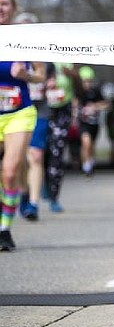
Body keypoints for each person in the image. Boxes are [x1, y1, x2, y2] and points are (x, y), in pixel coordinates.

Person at [0, 0, 46, 251]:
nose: (1, 8)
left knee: (10, 171)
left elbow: (42, 73)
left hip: (19, 112)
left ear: (13, 8)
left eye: (5, 4)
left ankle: (4, 230)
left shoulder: (25, 38)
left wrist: (26, 75)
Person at [14, 12, 46, 222]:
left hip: (38, 109)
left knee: (35, 155)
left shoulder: (41, 49)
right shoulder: (9, 48)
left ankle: (33, 203)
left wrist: (29, 77)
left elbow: (44, 77)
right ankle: (23, 191)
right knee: (17, 160)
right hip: (13, 110)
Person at [43, 63, 82, 213]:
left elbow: (81, 91)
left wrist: (73, 75)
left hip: (61, 112)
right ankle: (40, 187)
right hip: (40, 108)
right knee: (38, 152)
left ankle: (53, 196)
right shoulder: (37, 56)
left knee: (56, 154)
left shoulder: (67, 58)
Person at [76, 66, 109, 176]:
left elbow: (105, 103)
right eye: (84, 81)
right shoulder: (78, 92)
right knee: (86, 142)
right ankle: (86, 166)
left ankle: (90, 161)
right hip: (83, 122)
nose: (87, 84)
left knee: (91, 145)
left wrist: (95, 106)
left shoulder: (95, 91)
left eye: (89, 81)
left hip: (94, 123)